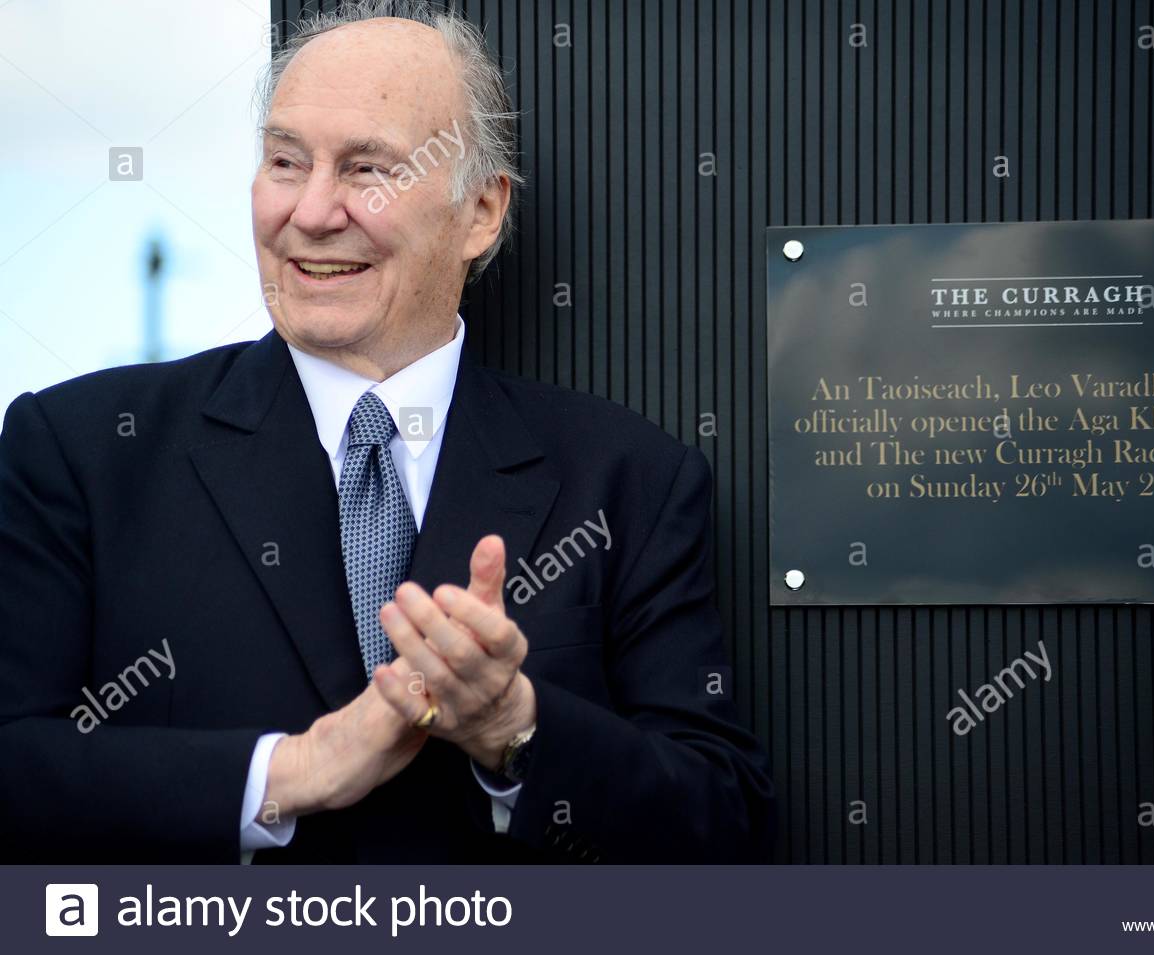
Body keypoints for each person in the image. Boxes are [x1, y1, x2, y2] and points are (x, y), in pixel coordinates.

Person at [0, 1, 774, 863]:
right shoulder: (80, 453)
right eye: (286, 161)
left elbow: (722, 823)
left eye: (368, 169)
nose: (314, 211)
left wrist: (516, 728)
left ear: (479, 211)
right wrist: (282, 773)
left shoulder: (629, 480)